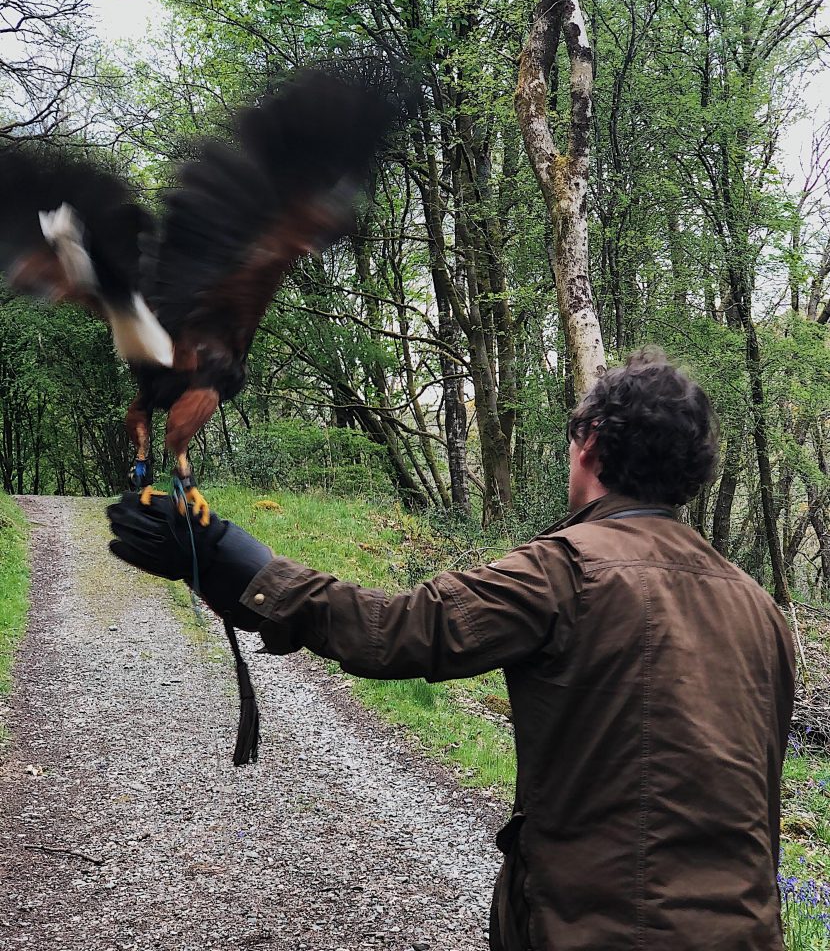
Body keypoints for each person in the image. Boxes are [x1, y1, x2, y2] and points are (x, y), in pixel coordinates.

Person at [107, 349, 796, 951]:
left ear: (587, 443)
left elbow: (396, 631)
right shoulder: (759, 607)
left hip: (601, 930)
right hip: (748, 931)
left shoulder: (565, 570)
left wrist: (233, 560)